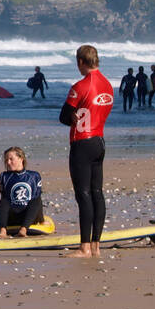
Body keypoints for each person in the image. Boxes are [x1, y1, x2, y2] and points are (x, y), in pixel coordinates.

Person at [61, 44, 114, 258]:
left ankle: (84, 248)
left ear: (81, 62)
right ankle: (96, 246)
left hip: (82, 143)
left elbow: (64, 117)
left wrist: (73, 118)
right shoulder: (108, 85)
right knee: (97, 193)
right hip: (99, 141)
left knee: (83, 194)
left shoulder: (80, 86)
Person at [0, 147, 45, 238]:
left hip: (29, 217)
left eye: (11, 159)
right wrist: (1, 221)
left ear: (21, 159)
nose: (8, 162)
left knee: (36, 200)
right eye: (6, 160)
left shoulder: (34, 176)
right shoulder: (4, 176)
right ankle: (2, 230)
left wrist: (42, 220)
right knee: (3, 201)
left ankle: (23, 230)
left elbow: (38, 201)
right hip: (13, 217)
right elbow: (4, 198)